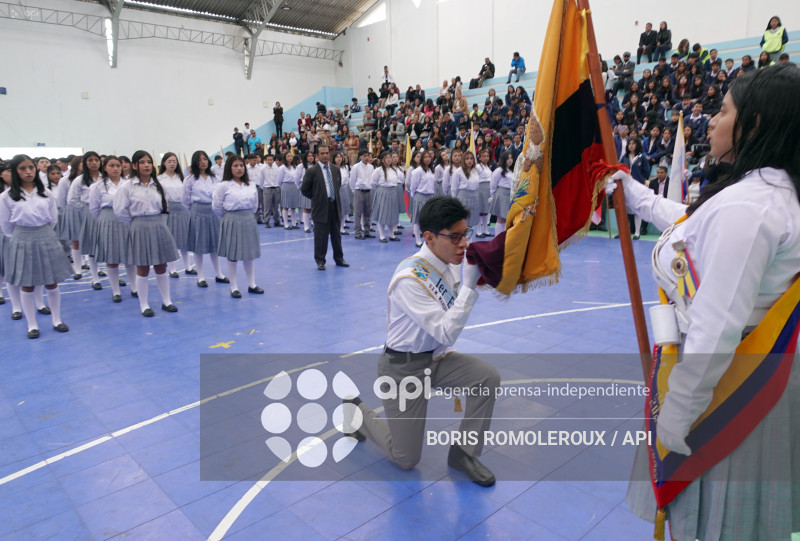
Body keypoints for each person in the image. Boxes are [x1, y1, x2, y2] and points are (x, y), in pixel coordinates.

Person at [609, 66, 800, 541]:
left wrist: (678, 412)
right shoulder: (764, 192)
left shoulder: (749, 207)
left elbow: (717, 324)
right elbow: (692, 226)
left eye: (724, 110)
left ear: (754, 123)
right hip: (753, 376)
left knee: (714, 525)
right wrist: (636, 195)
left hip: (723, 391)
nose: (712, 121)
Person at [343, 196, 500, 486]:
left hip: (437, 359)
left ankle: (463, 453)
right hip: (403, 368)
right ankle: (354, 411)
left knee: (486, 377)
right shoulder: (410, 279)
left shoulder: (449, 261)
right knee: (406, 459)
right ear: (429, 237)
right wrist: (469, 285)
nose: (463, 244)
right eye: (455, 237)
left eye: (465, 234)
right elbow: (446, 332)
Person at [0, 155, 71, 338]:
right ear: (15, 171)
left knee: (51, 282)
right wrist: (22, 236)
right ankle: (32, 324)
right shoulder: (6, 197)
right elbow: (6, 225)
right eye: (22, 168)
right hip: (21, 237)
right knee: (27, 284)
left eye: (31, 167)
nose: (28, 171)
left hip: (46, 235)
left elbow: (53, 219)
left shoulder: (45, 193)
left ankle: (57, 319)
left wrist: (42, 233)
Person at [113, 151, 178, 317]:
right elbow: (120, 210)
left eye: (149, 162)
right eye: (142, 162)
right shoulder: (127, 187)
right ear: (135, 166)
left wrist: (158, 222)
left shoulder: (158, 185)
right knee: (142, 268)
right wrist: (136, 224)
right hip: (139, 226)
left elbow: (165, 207)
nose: (147, 165)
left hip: (158, 225)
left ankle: (166, 301)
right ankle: (144, 304)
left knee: (161, 266)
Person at [213, 155, 263, 298]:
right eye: (235, 166)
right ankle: (233, 287)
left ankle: (252, 284)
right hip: (232, 219)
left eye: (241, 165)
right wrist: (230, 217)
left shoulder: (251, 184)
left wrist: (247, 215)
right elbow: (217, 206)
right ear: (229, 168)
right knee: (233, 255)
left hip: (248, 219)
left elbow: (255, 205)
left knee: (249, 254)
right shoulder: (223, 185)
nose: (239, 168)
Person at [89, 155, 132, 303]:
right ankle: (116, 291)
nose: (115, 169)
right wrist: (105, 220)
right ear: (105, 168)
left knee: (130, 256)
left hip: (126, 220)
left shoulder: (129, 183)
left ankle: (134, 287)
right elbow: (94, 209)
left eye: (118, 166)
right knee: (112, 258)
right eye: (111, 166)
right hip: (108, 219)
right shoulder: (97, 186)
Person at [183, 151, 228, 288]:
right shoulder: (190, 180)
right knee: (199, 245)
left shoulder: (215, 178)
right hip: (197, 211)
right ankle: (200, 276)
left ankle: (219, 274)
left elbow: (220, 196)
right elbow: (185, 201)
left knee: (214, 244)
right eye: (199, 160)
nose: (203, 162)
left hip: (213, 211)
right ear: (195, 162)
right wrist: (194, 212)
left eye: (205, 159)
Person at [300, 145, 349, 270]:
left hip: (334, 205)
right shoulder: (312, 171)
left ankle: (339, 258)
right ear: (317, 155)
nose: (325, 155)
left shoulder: (335, 169)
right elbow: (304, 189)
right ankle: (320, 260)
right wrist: (317, 197)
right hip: (320, 206)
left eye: (327, 153)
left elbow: (338, 185)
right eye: (322, 153)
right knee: (321, 236)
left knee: (336, 235)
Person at [158, 152, 192, 278]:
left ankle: (188, 267)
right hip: (168, 210)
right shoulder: (159, 179)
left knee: (185, 239)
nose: (172, 164)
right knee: (170, 240)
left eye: (174, 161)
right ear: (164, 163)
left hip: (182, 209)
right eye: (169, 161)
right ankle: (172, 269)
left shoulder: (182, 178)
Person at [489, 151, 514, 235]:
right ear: (504, 159)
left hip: (509, 195)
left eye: (511, 158)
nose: (510, 160)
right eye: (508, 158)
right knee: (500, 218)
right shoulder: (499, 170)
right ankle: (497, 237)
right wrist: (493, 196)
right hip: (501, 194)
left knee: (506, 218)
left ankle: (503, 237)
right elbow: (493, 184)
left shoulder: (511, 171)